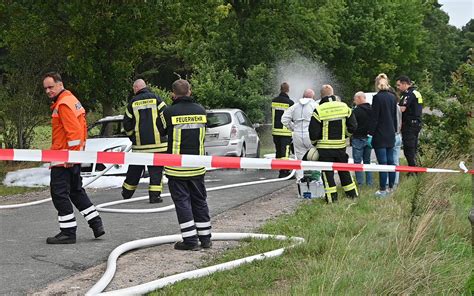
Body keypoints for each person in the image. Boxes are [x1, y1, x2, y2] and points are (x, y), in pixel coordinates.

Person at [42, 72, 105, 244]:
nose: (48, 91)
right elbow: (80, 131)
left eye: (51, 87)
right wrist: (76, 154)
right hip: (73, 156)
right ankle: (96, 223)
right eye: (45, 88)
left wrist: (71, 155)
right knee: (76, 192)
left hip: (65, 158)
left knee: (59, 194)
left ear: (60, 84)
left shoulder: (62, 104)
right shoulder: (72, 100)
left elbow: (74, 133)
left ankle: (68, 232)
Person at [157, 79, 211, 251]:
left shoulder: (168, 112)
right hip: (197, 165)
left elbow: (161, 131)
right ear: (190, 91)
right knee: (200, 201)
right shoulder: (201, 110)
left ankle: (190, 241)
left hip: (176, 167)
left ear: (173, 94)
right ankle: (206, 238)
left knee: (182, 203)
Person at [308, 84, 358, 203]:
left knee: (327, 174)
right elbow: (353, 126)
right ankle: (352, 196)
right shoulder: (344, 107)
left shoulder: (319, 110)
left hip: (324, 149)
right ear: (333, 93)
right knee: (344, 171)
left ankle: (332, 200)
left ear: (321, 96)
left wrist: (315, 143)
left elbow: (313, 133)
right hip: (340, 147)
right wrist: (345, 136)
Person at [122, 79, 168, 203]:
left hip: (140, 146)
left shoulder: (132, 103)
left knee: (135, 170)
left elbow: (126, 123)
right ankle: (154, 196)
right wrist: (164, 133)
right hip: (159, 145)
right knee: (156, 172)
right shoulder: (156, 99)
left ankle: (126, 192)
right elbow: (166, 116)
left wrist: (133, 137)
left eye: (133, 89)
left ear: (136, 88)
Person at [368, 76, 397, 197]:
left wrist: (370, 132)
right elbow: (394, 115)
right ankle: (391, 186)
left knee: (382, 162)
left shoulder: (377, 98)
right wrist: (395, 130)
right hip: (391, 132)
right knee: (391, 161)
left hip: (380, 133)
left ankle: (382, 188)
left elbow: (375, 118)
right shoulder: (392, 97)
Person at [281, 88, 317, 180]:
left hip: (297, 135)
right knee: (314, 158)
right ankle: (315, 181)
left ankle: (300, 181)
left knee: (300, 160)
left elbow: (284, 119)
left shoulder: (295, 106)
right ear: (313, 97)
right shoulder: (315, 105)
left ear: (303, 96)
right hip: (310, 135)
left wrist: (293, 128)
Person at [396, 75, 423, 170]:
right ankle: (416, 168)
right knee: (413, 148)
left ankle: (413, 170)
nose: (398, 87)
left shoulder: (408, 94)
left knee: (409, 149)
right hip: (416, 123)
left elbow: (402, 109)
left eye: (399, 85)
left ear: (404, 84)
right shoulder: (416, 93)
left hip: (409, 125)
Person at [272, 82, 294, 178]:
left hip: (275, 131)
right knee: (285, 153)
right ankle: (284, 171)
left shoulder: (274, 101)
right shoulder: (290, 103)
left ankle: (281, 168)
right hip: (285, 132)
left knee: (279, 151)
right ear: (288, 90)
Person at [351, 91, 373, 186]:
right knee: (367, 161)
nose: (354, 102)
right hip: (369, 139)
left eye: (355, 99)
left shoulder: (356, 111)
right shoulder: (372, 109)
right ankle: (369, 182)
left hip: (358, 139)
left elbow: (352, 125)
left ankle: (360, 183)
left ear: (359, 98)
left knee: (357, 162)